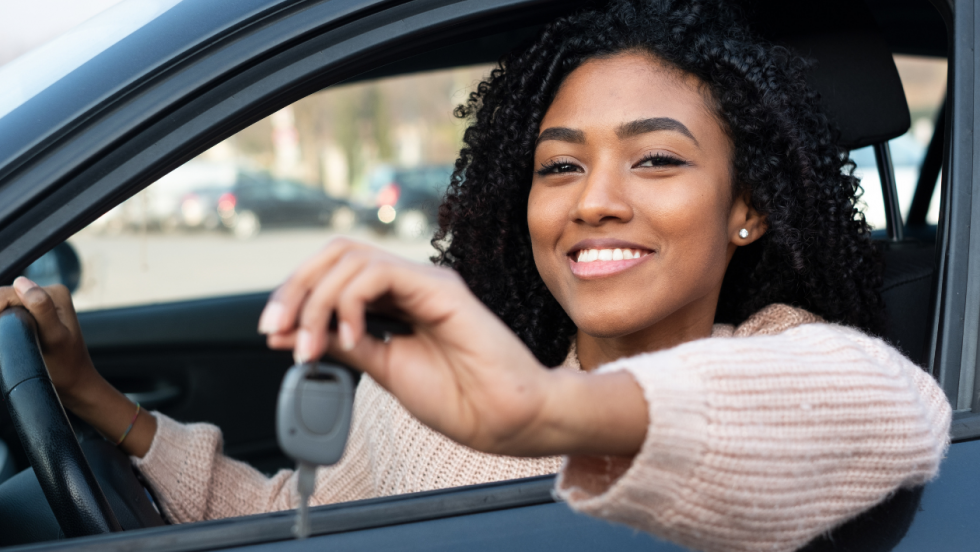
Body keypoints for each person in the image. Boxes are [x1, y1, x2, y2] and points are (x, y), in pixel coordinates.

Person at [0, 1, 950, 551]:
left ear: (747, 210)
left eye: (657, 161)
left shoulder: (776, 359)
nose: (594, 202)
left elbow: (891, 411)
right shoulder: (431, 386)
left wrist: (543, 415)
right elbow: (289, 520)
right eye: (560, 166)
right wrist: (95, 397)